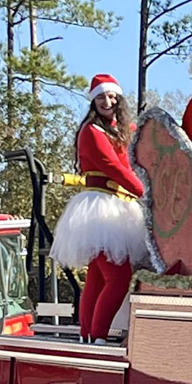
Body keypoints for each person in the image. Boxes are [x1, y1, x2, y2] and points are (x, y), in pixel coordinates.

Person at [49, 74, 148, 345]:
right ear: (93, 101)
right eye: (102, 97)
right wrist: (145, 192)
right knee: (118, 277)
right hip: (100, 207)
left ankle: (88, 334)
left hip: (117, 205)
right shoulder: (92, 131)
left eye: (112, 96)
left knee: (96, 277)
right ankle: (99, 335)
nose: (108, 101)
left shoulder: (118, 129)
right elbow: (112, 167)